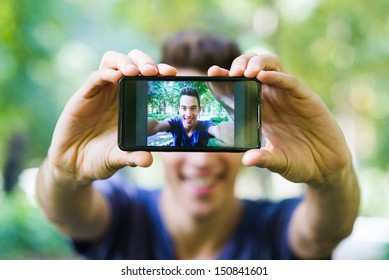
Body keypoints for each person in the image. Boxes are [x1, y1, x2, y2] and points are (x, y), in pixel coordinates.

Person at [35, 30, 360, 259]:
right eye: (183, 108)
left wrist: (333, 177)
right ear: (178, 110)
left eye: (195, 108)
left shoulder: (272, 226)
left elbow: (326, 232)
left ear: (201, 110)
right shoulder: (124, 212)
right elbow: (67, 214)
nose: (201, 162)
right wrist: (64, 172)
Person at [147, 85, 234, 147]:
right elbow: (156, 125)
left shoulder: (205, 126)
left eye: (193, 108)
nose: (188, 114)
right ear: (179, 110)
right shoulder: (174, 123)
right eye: (184, 108)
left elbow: (218, 130)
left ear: (199, 110)